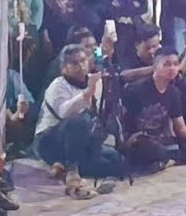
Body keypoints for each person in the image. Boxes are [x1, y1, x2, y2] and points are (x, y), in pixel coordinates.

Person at [36, 44, 126, 199]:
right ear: (64, 68)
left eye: (83, 60)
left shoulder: (95, 81)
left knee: (117, 161)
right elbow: (64, 113)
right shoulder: (57, 86)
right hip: (51, 140)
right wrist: (86, 92)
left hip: (81, 142)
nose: (81, 66)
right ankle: (72, 171)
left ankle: (64, 165)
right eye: (74, 63)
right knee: (78, 121)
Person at [122, 47, 186, 171]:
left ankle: (166, 161)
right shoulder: (136, 90)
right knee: (155, 151)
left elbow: (179, 127)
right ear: (156, 66)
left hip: (162, 139)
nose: (172, 68)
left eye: (175, 64)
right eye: (167, 64)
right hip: (139, 141)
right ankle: (167, 159)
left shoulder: (174, 92)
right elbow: (124, 123)